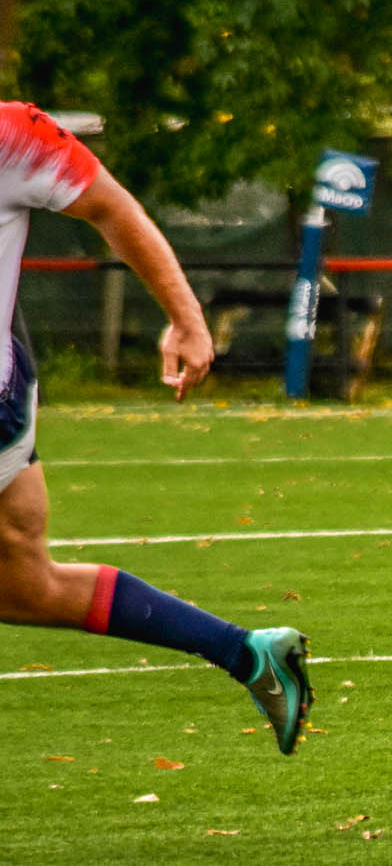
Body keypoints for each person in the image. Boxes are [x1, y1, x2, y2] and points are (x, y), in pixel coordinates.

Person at [0, 102, 312, 753]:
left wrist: (187, 318)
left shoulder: (11, 133)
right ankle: (247, 652)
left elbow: (112, 205)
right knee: (25, 582)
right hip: (9, 379)